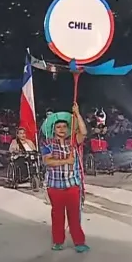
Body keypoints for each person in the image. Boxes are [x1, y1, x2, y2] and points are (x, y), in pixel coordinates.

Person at [41, 103, 89, 253]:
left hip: (72, 185)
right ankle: (58, 241)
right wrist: (66, 161)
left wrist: (77, 114)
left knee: (75, 216)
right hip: (55, 187)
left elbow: (84, 132)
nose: (62, 129)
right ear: (53, 130)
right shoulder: (48, 144)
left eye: (64, 127)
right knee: (57, 216)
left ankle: (79, 242)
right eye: (58, 127)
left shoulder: (73, 142)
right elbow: (47, 161)